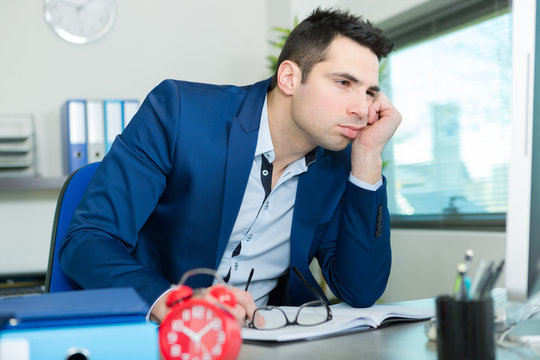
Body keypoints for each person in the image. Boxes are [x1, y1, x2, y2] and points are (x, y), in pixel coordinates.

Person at [60, 7, 401, 325]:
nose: (361, 107)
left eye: (370, 92)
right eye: (344, 83)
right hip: (163, 334)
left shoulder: (339, 161)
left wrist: (368, 157)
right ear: (289, 78)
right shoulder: (179, 113)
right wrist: (178, 303)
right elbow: (88, 240)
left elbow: (361, 290)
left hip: (265, 338)